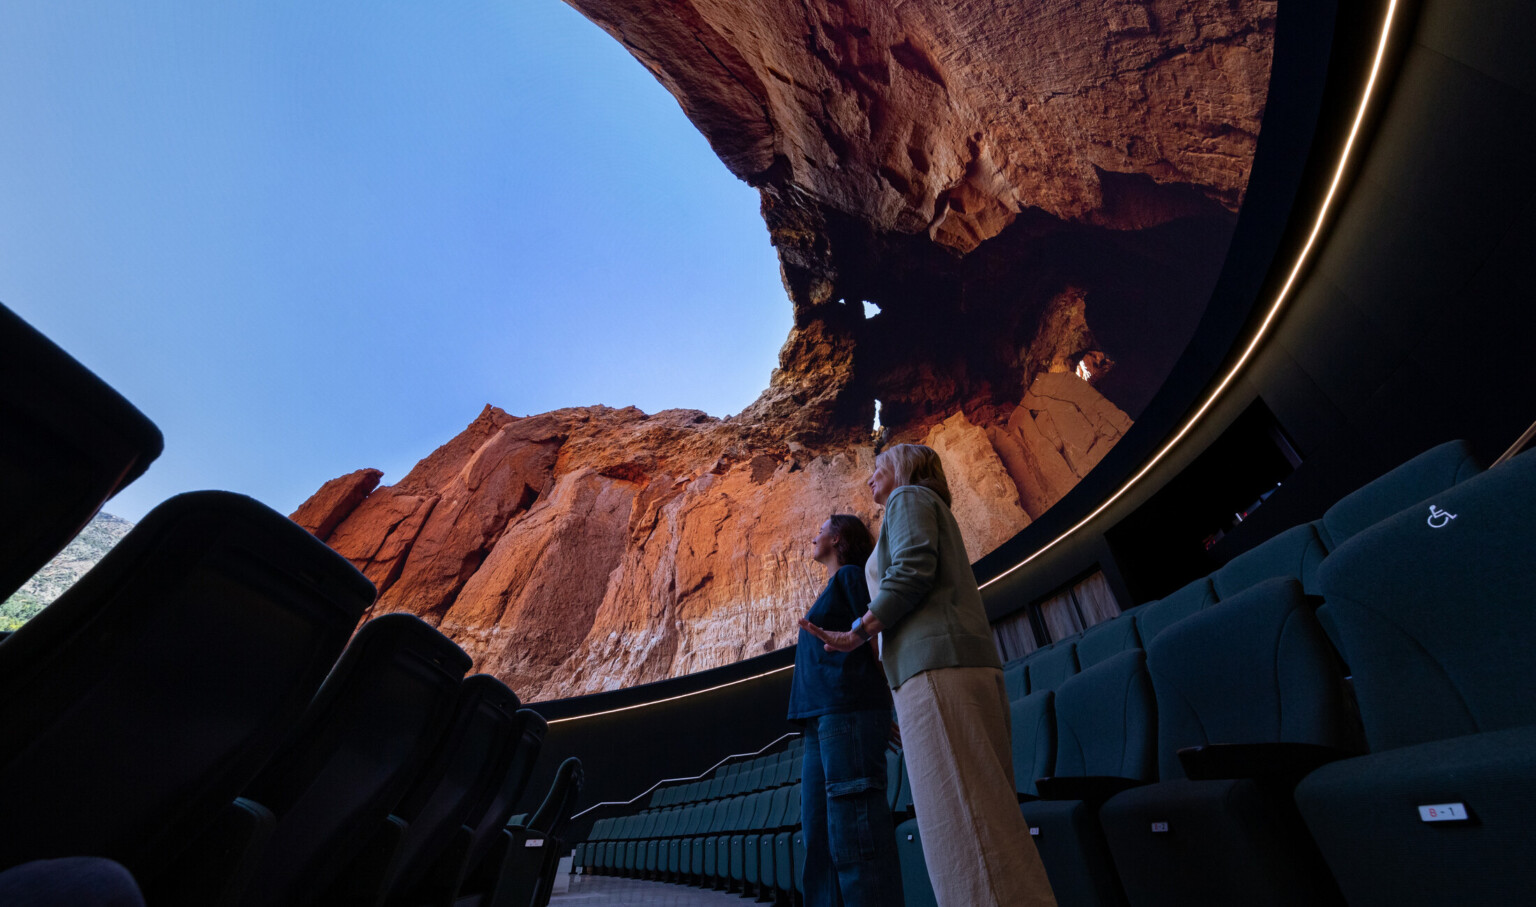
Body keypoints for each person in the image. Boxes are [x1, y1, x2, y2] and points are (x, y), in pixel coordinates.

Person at [800, 444, 1057, 906]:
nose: (870, 478)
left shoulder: (908, 498)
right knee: (979, 818)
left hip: (935, 668)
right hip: (943, 665)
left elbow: (913, 570)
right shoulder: (918, 503)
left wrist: (857, 632)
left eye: (878, 468)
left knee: (962, 825)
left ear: (904, 468)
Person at [786, 514, 906, 907]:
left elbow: (878, 640)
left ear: (837, 538)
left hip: (846, 712)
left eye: (819, 530)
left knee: (854, 834)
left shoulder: (851, 576)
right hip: (821, 719)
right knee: (818, 835)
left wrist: (887, 702)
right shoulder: (833, 586)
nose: (813, 536)